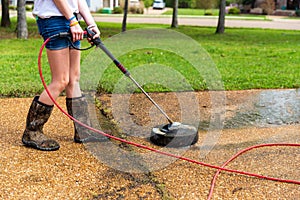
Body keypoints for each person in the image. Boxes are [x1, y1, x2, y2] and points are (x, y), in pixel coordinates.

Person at [22, 0, 101, 151]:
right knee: (61, 80)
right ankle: (32, 131)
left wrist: (91, 24)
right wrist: (72, 21)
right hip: (54, 20)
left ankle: (83, 130)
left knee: (73, 79)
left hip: (71, 19)